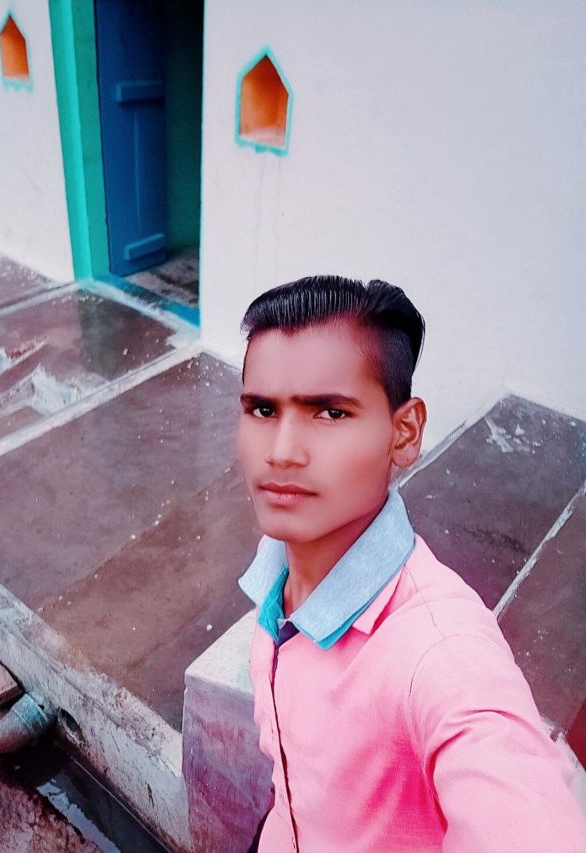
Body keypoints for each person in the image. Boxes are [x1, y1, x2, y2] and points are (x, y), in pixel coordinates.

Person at [236, 275, 586, 852]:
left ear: (404, 433)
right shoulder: (277, 563)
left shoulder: (440, 653)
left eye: (330, 413)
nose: (280, 452)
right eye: (263, 409)